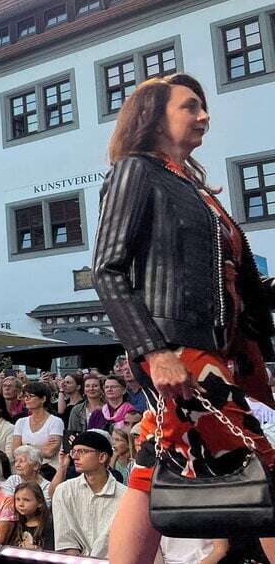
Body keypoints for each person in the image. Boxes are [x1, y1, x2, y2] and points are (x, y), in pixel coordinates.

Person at [93, 76, 275, 560]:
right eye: (190, 106)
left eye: (204, 106)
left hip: (224, 350)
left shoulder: (192, 187)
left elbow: (233, 280)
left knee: (153, 467)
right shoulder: (136, 171)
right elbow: (106, 270)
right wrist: (153, 351)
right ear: (153, 116)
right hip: (180, 349)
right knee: (265, 466)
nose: (204, 115)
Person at [51, 431, 123, 558]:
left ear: (102, 457)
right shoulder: (63, 491)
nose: (75, 457)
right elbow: (65, 543)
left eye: (82, 451)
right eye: (74, 452)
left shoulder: (125, 496)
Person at [10, 383, 63, 470]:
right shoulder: (20, 422)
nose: (26, 399)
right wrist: (40, 447)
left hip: (49, 470)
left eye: (30, 396)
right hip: (25, 469)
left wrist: (26, 446)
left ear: (43, 399)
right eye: (25, 396)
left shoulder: (55, 422)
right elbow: (15, 451)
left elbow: (49, 452)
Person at [7, 481, 52, 551]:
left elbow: (50, 551)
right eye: (18, 499)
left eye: (26, 500)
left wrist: (35, 549)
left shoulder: (48, 525)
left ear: (40, 503)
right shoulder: (16, 523)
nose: (20, 504)